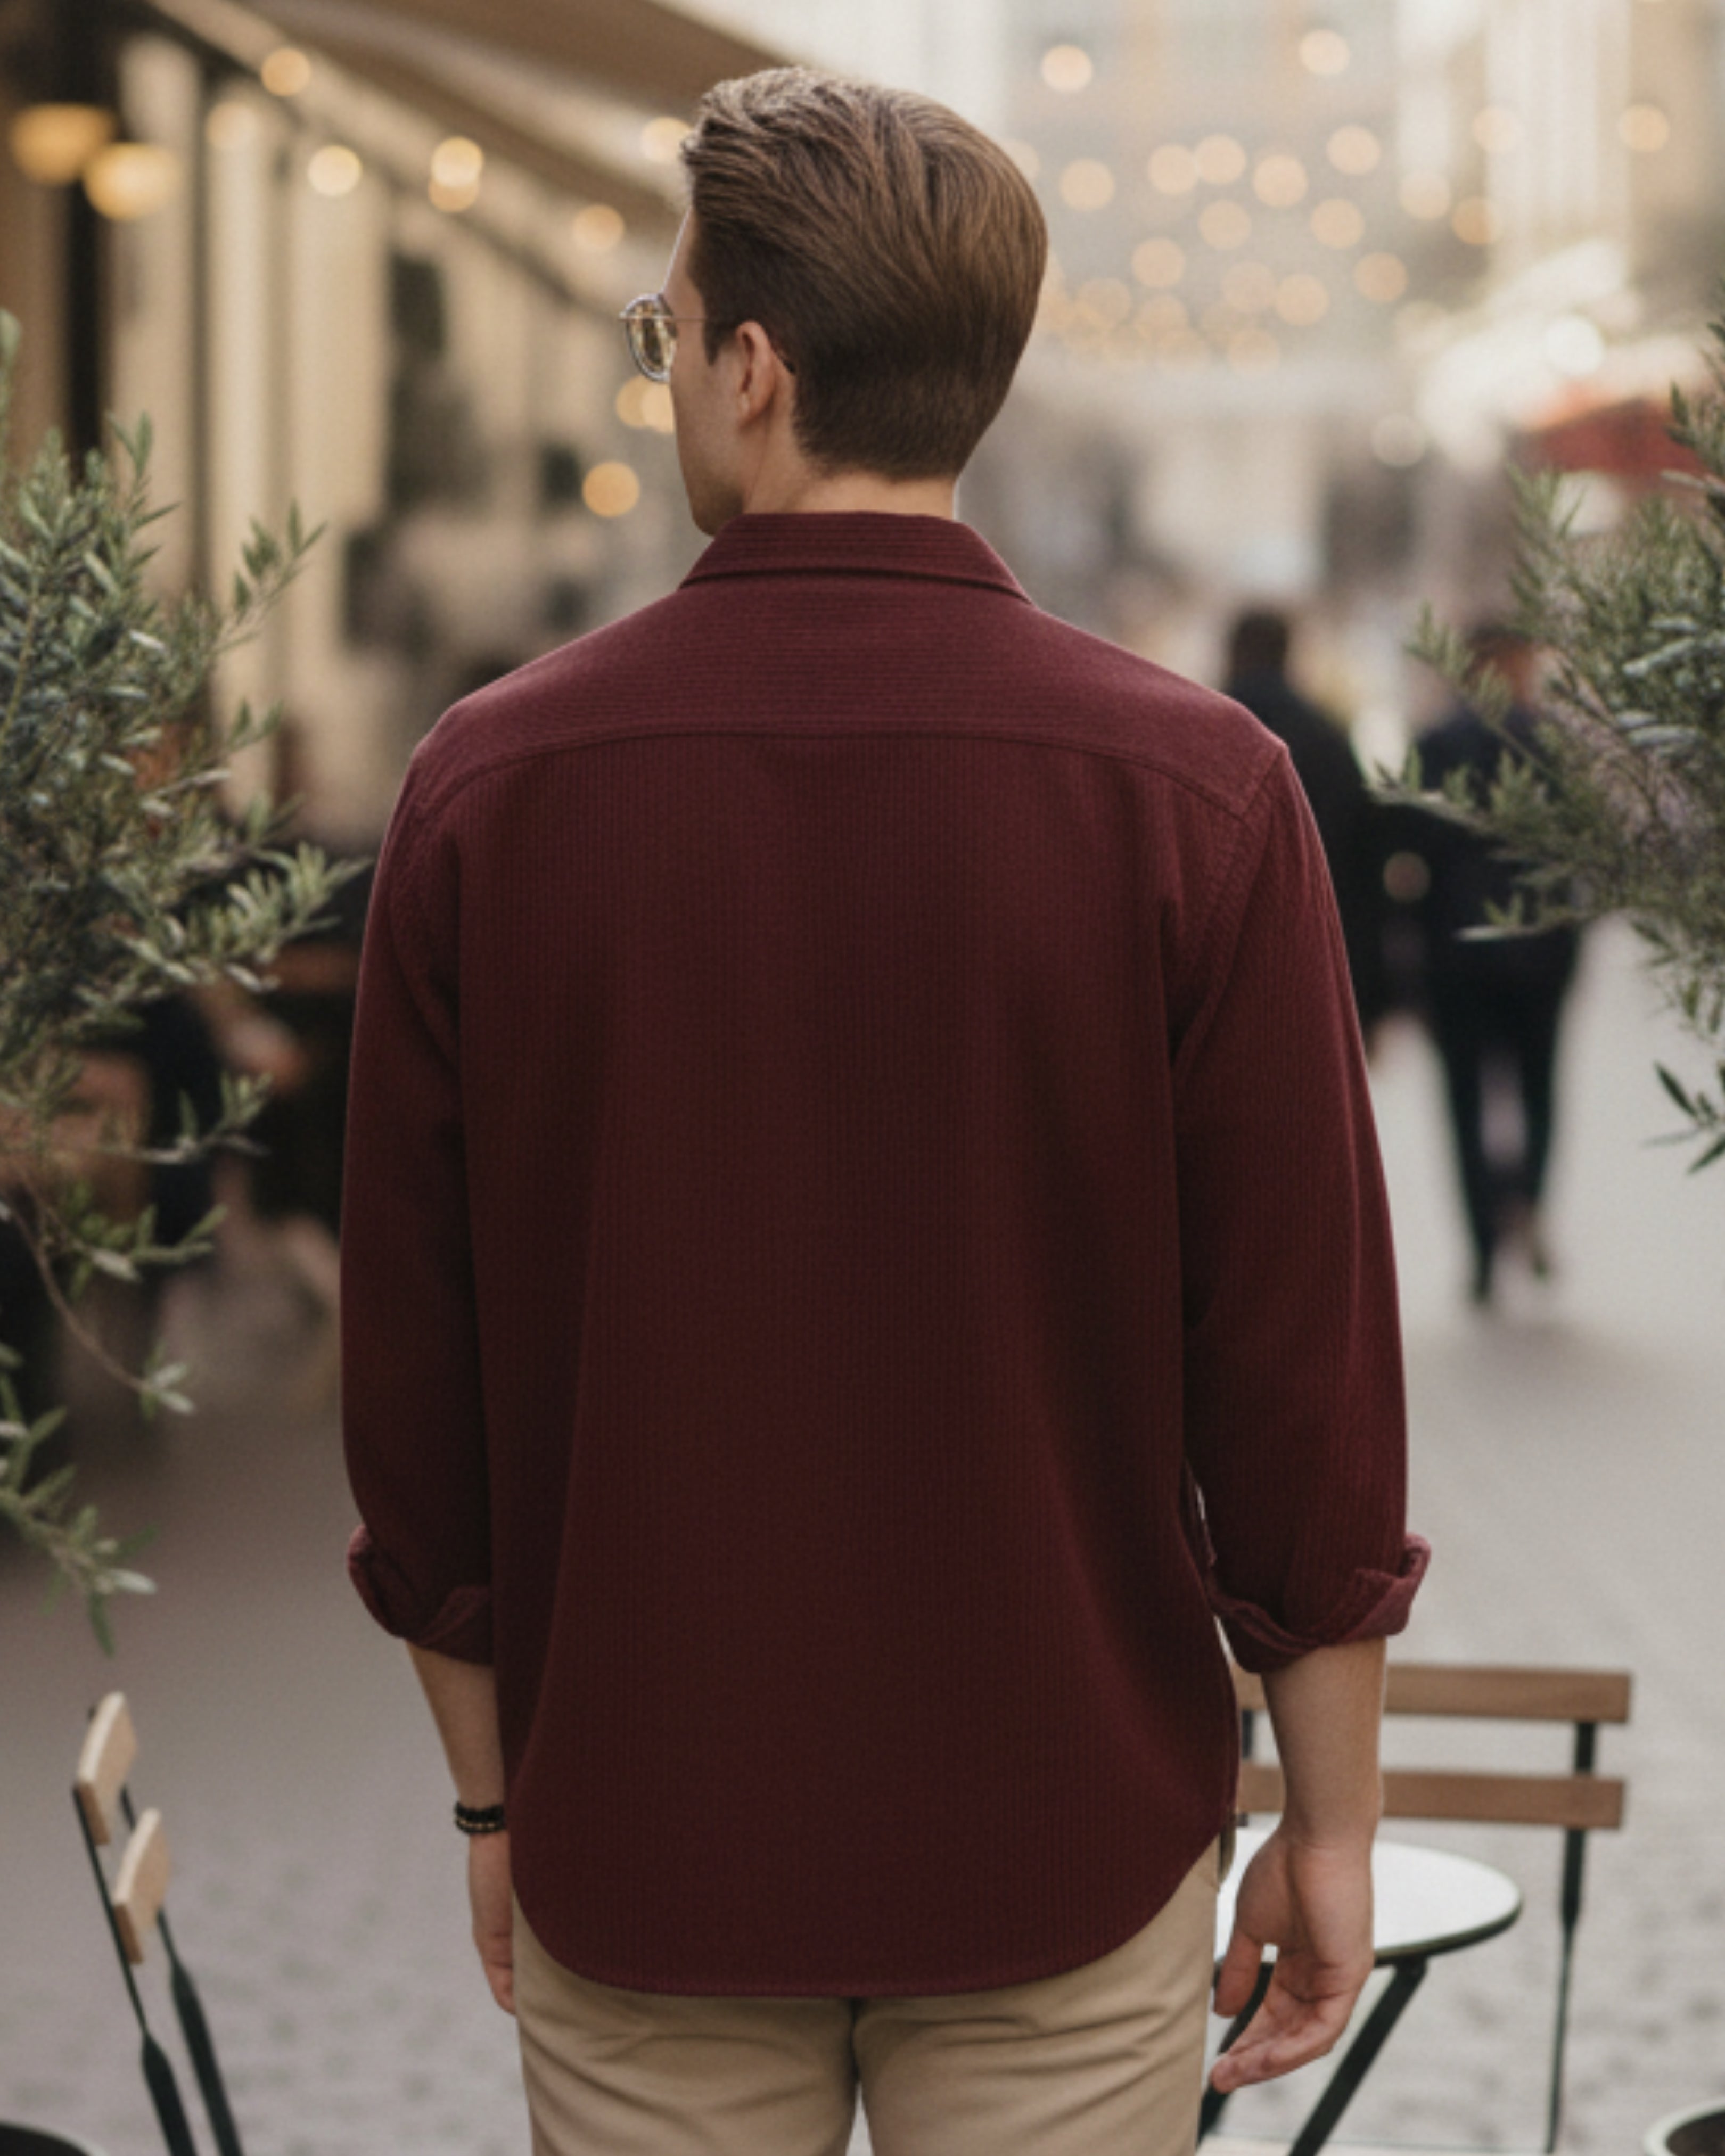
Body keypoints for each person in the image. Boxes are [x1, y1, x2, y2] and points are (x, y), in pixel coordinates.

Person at [340, 65, 1428, 2156]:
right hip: (1068, 1850)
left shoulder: (490, 794)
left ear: (752, 370)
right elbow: (1297, 1373)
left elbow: (419, 1381)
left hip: (645, 1837)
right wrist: (1335, 1818)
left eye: (661, 337)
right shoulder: (1198, 793)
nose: (660, 385)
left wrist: (491, 1792)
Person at [1407, 625, 1583, 1305]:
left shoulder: (1435, 743)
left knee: (1464, 1101)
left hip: (1455, 957)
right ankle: (1527, 1201)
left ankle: (1483, 1248)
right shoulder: (1550, 745)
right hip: (1540, 951)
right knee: (1538, 1089)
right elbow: (1580, 855)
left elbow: (1412, 858)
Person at [1223, 607, 1390, 1043]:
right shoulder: (1328, 737)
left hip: (1221, 967)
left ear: (1233, 652)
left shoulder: (1192, 735)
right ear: (1288, 654)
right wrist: (1372, 998)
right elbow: (1365, 860)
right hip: (1315, 961)